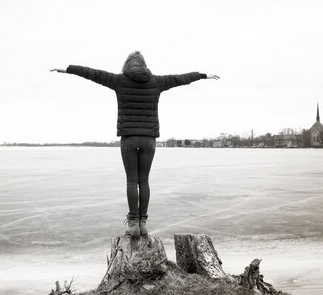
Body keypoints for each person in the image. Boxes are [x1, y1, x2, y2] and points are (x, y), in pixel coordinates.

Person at [51, 51, 218, 237]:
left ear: (127, 64)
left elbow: (93, 73)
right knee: (143, 180)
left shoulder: (118, 80)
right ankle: (143, 223)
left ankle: (133, 224)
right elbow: (181, 79)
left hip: (129, 137)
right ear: (144, 64)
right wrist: (203, 75)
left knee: (131, 180)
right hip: (149, 139)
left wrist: (68, 69)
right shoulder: (157, 82)